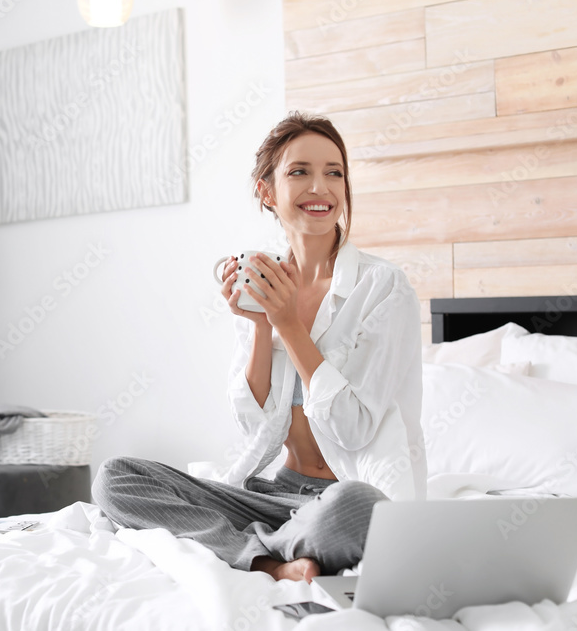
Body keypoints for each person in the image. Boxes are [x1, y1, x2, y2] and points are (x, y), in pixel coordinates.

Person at [92, 112, 425, 583]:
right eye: (299, 172)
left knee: (362, 510)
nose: (321, 187)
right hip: (270, 493)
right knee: (115, 477)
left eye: (335, 172)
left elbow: (353, 429)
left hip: (341, 497)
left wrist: (287, 324)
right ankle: (272, 561)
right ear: (266, 191)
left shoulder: (384, 288)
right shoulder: (263, 284)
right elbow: (255, 425)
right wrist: (258, 328)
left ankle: (239, 544)